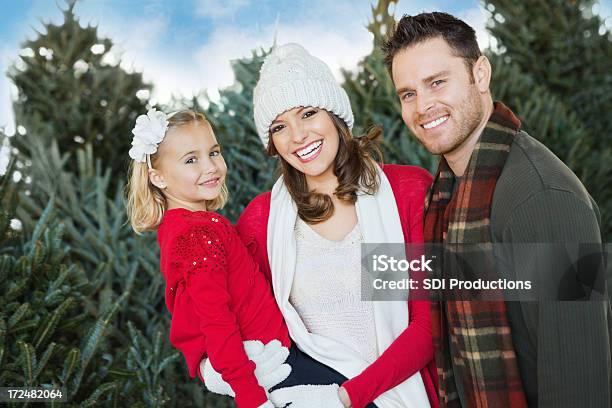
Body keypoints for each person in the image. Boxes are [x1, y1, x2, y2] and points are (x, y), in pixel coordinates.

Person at [382, 11, 611, 408]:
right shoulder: (448, 196)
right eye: (408, 93)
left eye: (437, 82)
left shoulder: (542, 198)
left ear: (481, 74)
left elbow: (581, 385)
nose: (423, 106)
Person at [125, 109, 385, 408]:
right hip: (277, 366)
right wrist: (250, 396)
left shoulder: (188, 226)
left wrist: (203, 363)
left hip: (285, 356)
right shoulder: (196, 234)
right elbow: (214, 320)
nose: (210, 167)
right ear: (157, 176)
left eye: (214, 152)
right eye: (190, 160)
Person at [233, 43, 439, 408]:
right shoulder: (262, 220)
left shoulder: (407, 192)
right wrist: (206, 364)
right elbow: (237, 318)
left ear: (335, 116)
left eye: (308, 113)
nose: (298, 135)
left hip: (394, 397)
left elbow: (428, 324)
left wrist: (346, 398)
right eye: (280, 126)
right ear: (272, 142)